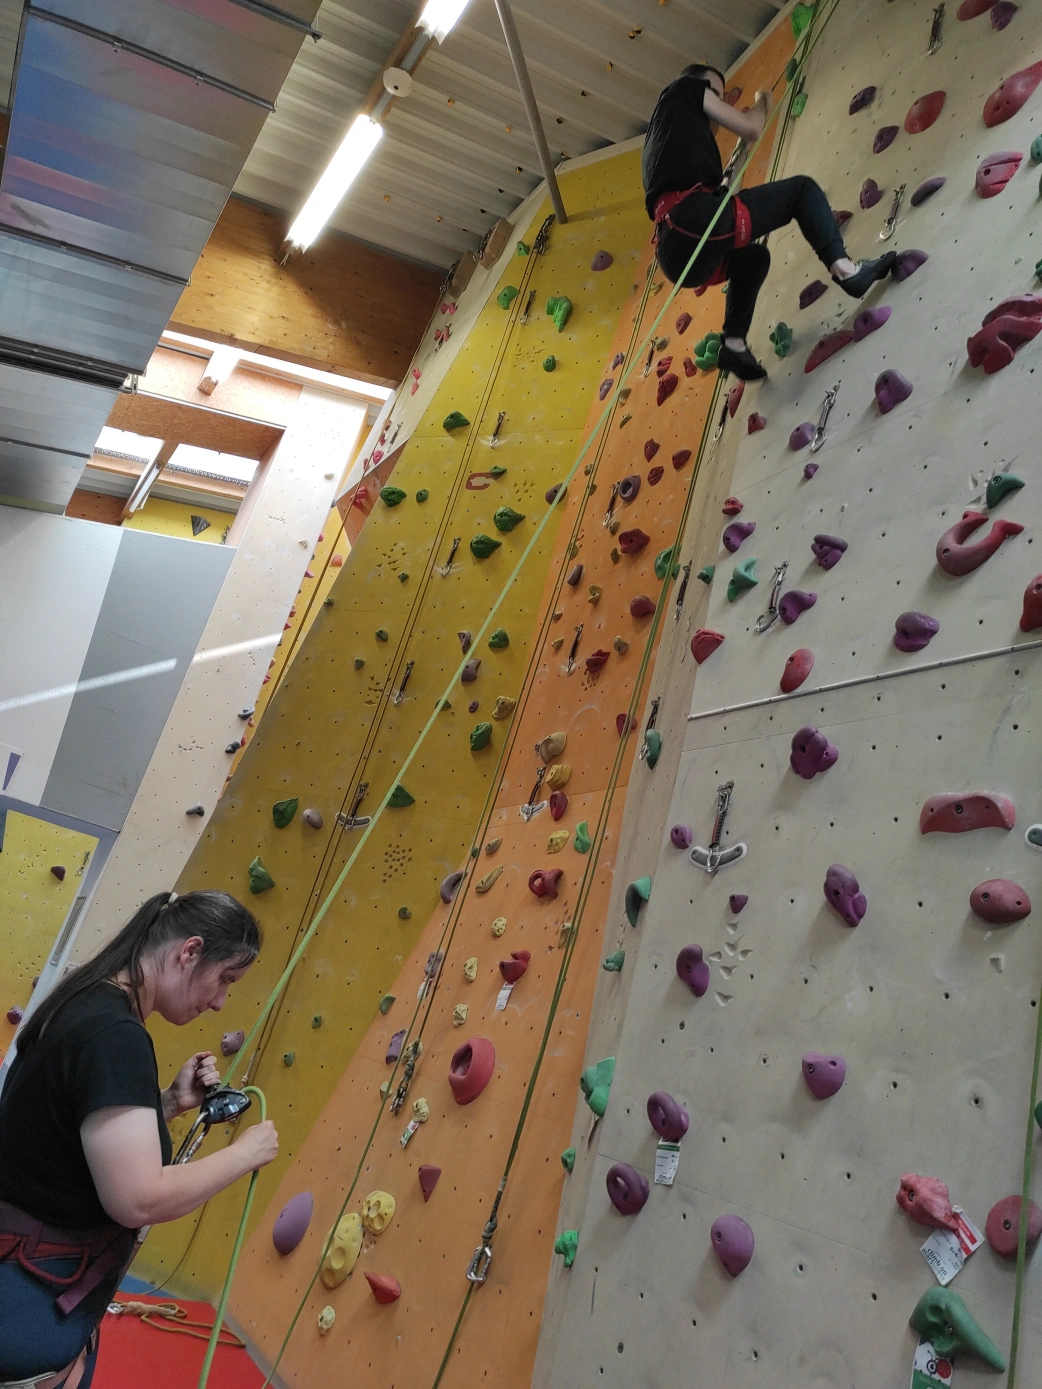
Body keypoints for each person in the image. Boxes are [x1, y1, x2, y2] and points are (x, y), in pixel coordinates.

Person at [0, 890, 277, 1389]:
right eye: (225, 980)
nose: (219, 1001)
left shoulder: (85, 997)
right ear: (188, 953)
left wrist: (167, 1103)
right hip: (30, 1282)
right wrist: (244, 1155)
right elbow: (138, 1198)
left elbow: (65, 1128)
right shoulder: (117, 1036)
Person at [643, 63, 897, 380]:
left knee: (753, 259)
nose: (720, 103)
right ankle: (847, 271)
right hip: (691, 220)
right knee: (801, 191)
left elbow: (719, 197)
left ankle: (733, 345)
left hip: (676, 250)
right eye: (716, 92)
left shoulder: (669, 139)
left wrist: (741, 152)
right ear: (699, 83)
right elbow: (751, 127)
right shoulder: (683, 88)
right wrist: (762, 103)